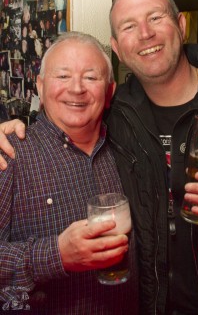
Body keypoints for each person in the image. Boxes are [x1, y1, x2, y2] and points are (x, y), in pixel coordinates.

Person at [1, 0, 198, 314]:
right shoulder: (16, 152)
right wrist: (54, 255)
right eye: (129, 26)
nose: (145, 34)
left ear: (181, 25)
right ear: (118, 47)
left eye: (155, 17)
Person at [0, 32, 138, 314]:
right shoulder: (9, 154)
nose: (76, 89)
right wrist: (55, 256)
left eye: (90, 77)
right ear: (39, 86)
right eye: (62, 76)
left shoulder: (127, 150)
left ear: (109, 92)